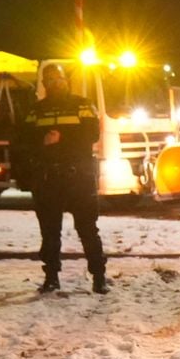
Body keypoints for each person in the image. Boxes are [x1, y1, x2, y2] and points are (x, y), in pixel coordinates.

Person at [14, 63, 108, 293]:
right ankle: (51, 277)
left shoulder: (82, 104)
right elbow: (22, 141)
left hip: (79, 178)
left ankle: (99, 277)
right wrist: (41, 143)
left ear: (66, 81)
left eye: (59, 79)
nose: (56, 84)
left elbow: (91, 133)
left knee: (88, 229)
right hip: (48, 179)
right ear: (45, 84)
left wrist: (62, 139)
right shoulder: (36, 110)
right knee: (49, 231)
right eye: (51, 80)